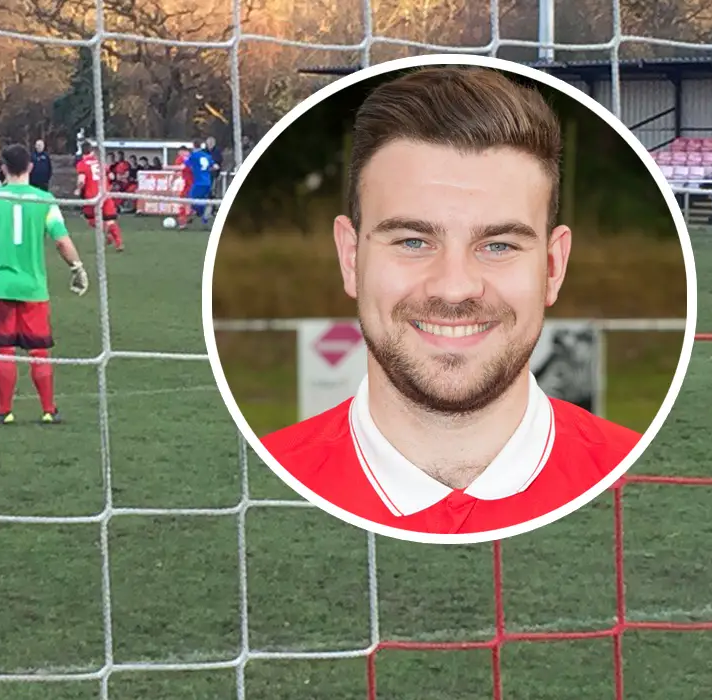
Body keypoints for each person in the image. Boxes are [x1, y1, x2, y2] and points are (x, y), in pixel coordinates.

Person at [260, 66, 642, 537]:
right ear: (350, 257)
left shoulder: (638, 480)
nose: (454, 288)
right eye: (412, 241)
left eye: (498, 245)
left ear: (553, 266)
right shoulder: (271, 477)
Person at [0, 143, 90, 425]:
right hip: (33, 288)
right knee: (39, 350)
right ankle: (49, 410)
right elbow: (61, 240)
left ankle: (4, 411)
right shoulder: (45, 200)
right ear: (30, 167)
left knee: (4, 349)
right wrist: (77, 267)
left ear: (2, 168)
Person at [76, 139, 124, 251]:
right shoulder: (101, 162)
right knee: (110, 220)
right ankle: (119, 243)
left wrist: (78, 190)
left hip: (91, 197)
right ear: (92, 151)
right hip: (105, 194)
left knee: (90, 219)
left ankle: (106, 232)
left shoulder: (82, 164)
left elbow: (81, 180)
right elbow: (111, 176)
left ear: (82, 152)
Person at [185, 139, 217, 226]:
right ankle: (204, 214)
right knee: (202, 200)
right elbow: (216, 166)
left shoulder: (194, 156)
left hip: (199, 182)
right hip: (208, 182)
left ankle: (203, 215)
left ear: (193, 146)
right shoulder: (207, 156)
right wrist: (207, 170)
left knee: (191, 198)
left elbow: (186, 164)